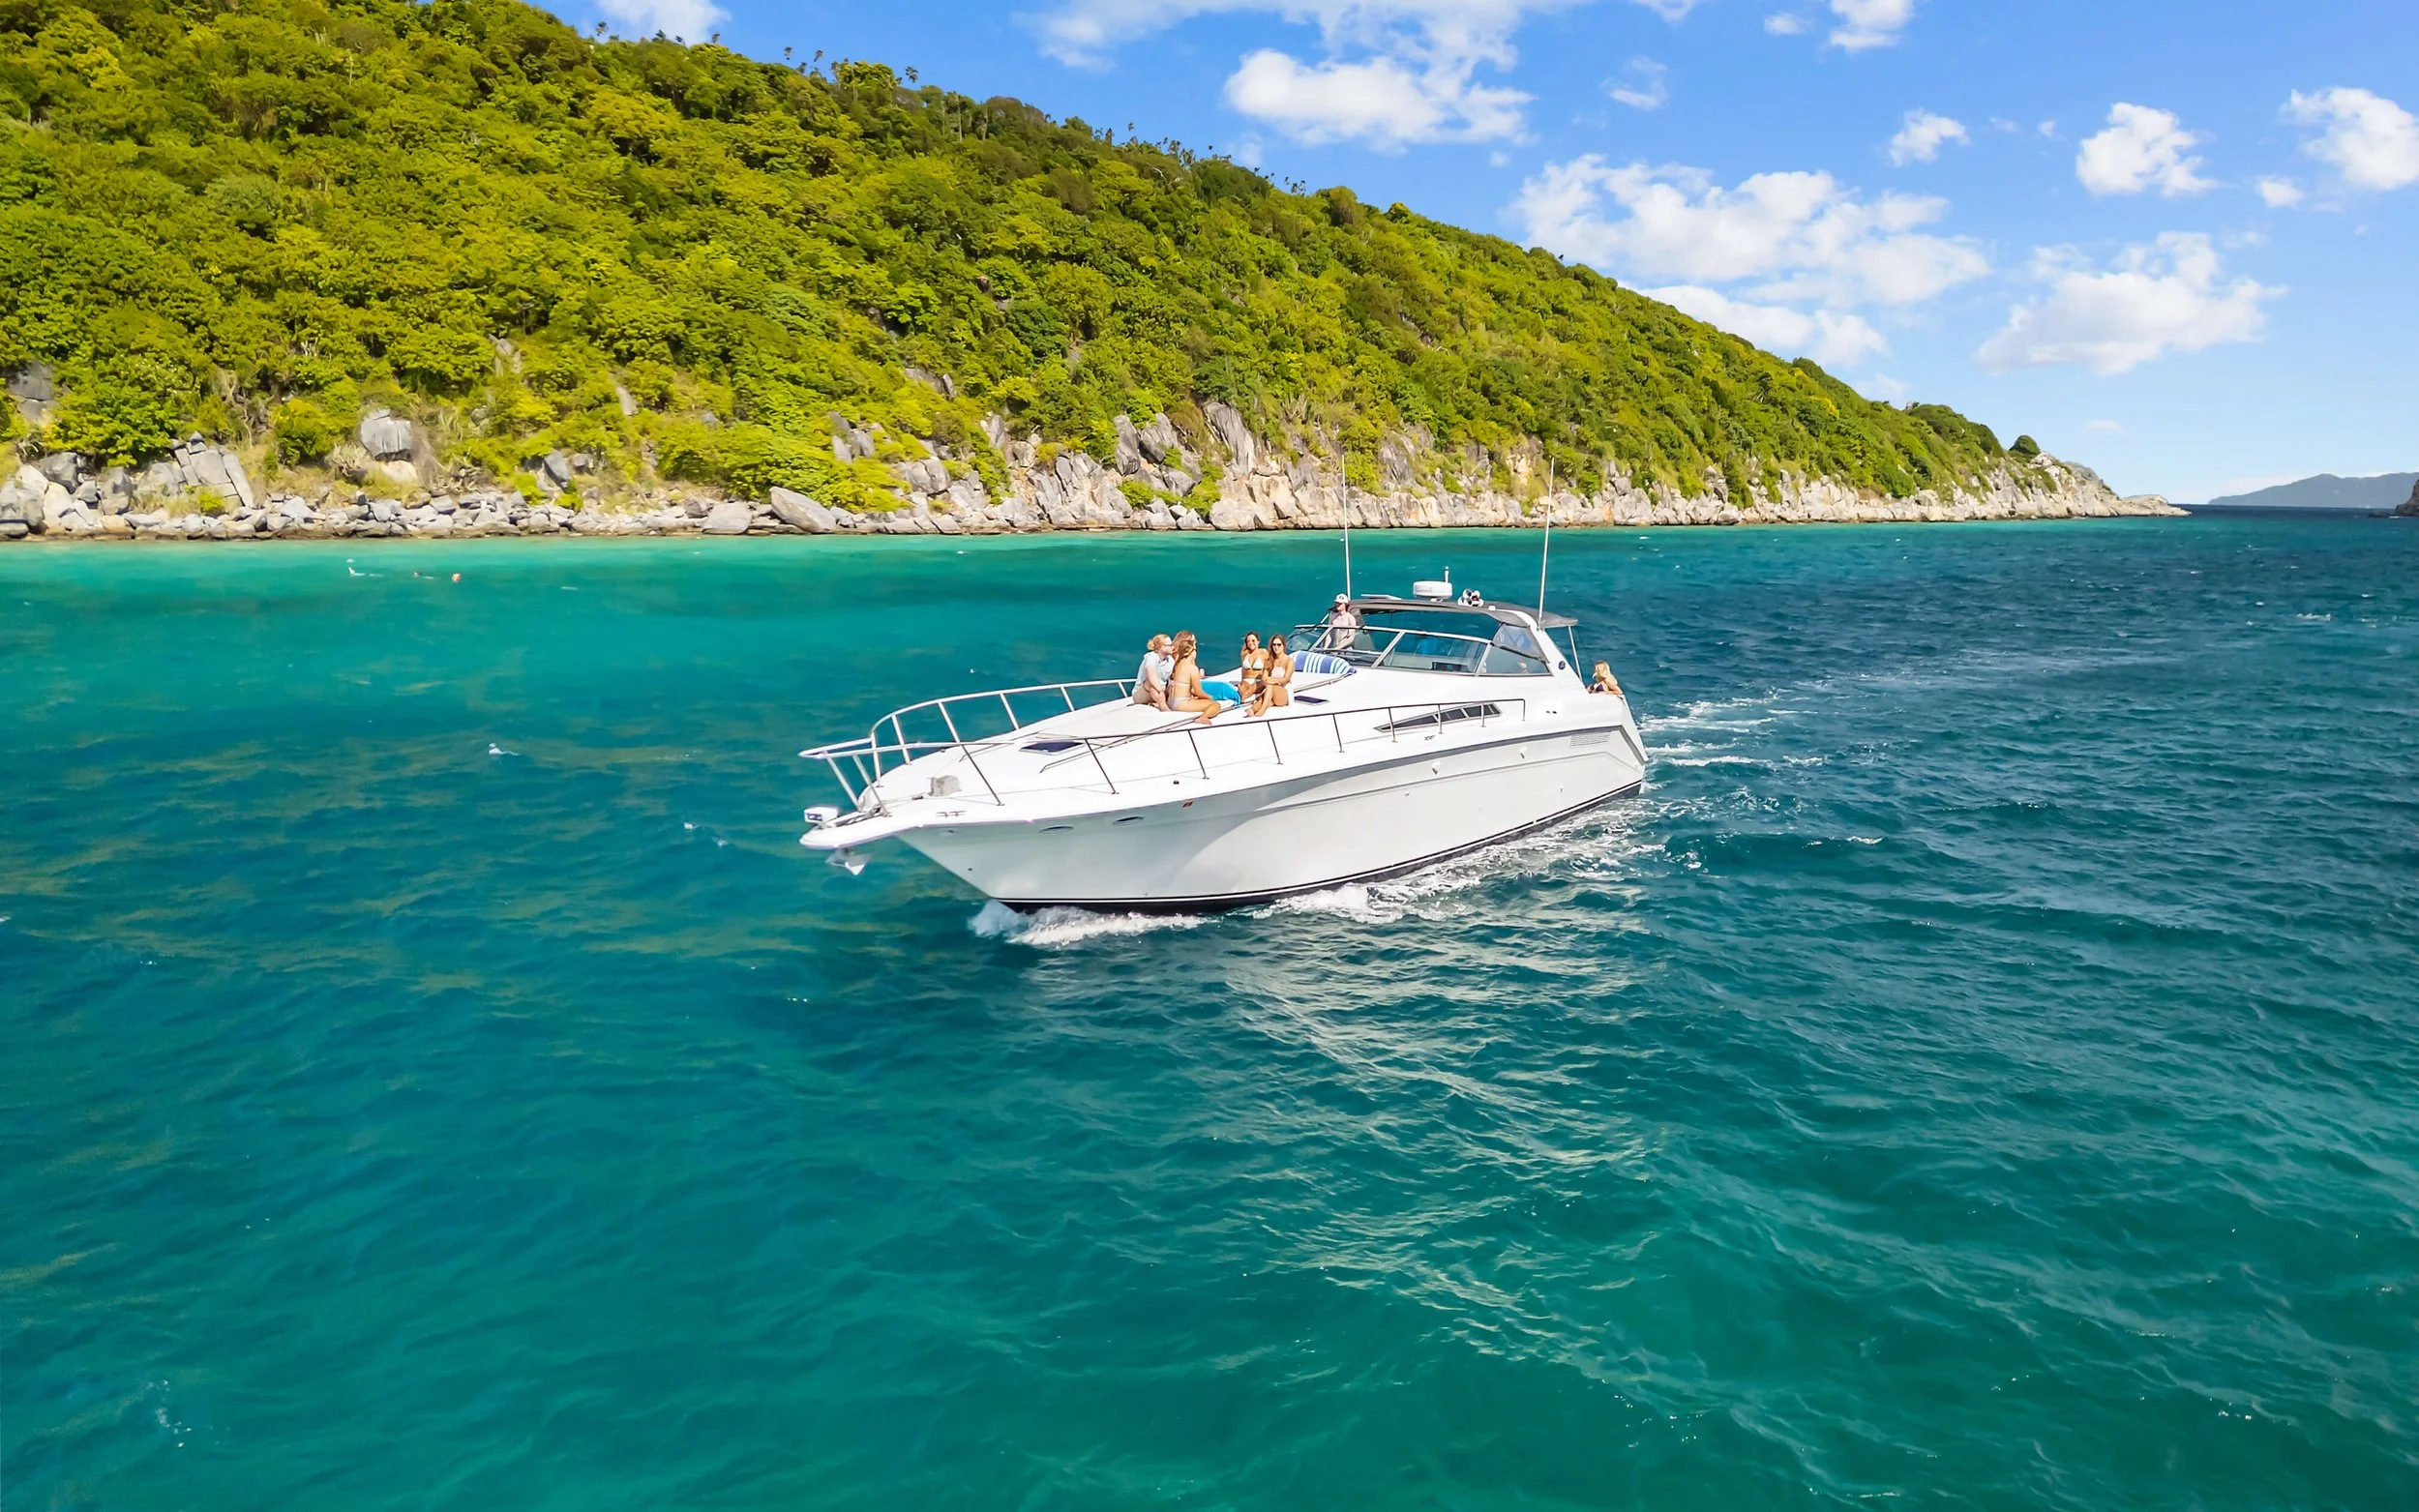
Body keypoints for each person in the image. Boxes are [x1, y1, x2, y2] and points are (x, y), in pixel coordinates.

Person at [1167, 631, 1225, 722]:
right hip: (1181, 704)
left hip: (1170, 702)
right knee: (1215, 705)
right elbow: (1198, 692)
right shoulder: (1192, 668)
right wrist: (1210, 698)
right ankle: (1203, 718)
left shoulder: (1177, 664)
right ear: (1192, 651)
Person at [1253, 635, 1294, 715]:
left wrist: (1270, 680)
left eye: (1279, 645)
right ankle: (1252, 710)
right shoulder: (1270, 660)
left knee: (1269, 686)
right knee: (1264, 699)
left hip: (1284, 694)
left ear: (1283, 646)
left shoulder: (1289, 661)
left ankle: (1262, 711)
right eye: (1274, 645)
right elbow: (1264, 679)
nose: (1276, 647)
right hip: (1271, 691)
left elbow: (1285, 679)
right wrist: (1270, 681)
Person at [1133, 634, 1174, 709]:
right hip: (1143, 694)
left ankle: (1169, 703)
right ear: (1162, 647)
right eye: (1170, 645)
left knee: (1173, 684)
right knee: (1150, 683)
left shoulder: (1170, 660)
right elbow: (1151, 675)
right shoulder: (1151, 657)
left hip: (1160, 692)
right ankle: (1163, 707)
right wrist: (1160, 691)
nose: (1173, 647)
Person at [1237, 632, 1268, 708]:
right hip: (1246, 680)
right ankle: (1241, 695)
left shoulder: (1263, 652)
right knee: (1244, 686)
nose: (1251, 643)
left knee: (1252, 687)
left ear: (1258, 641)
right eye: (1248, 641)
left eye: (1253, 641)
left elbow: (1268, 667)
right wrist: (1242, 681)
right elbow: (1243, 671)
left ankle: (1243, 698)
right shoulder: (1245, 654)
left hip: (1258, 680)